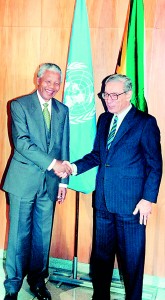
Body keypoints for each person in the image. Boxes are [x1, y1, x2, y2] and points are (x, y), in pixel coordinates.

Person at [64, 74, 162, 300]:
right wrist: (73, 168)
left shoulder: (145, 123)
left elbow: (155, 165)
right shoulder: (104, 120)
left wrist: (148, 199)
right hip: (104, 203)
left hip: (132, 205)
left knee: (132, 261)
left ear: (128, 95)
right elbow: (98, 155)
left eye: (114, 95)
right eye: (105, 94)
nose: (108, 99)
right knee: (101, 258)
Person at [3, 63, 72, 300]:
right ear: (38, 79)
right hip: (22, 182)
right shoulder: (19, 105)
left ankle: (37, 282)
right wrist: (53, 164)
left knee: (42, 237)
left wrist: (63, 182)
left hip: (50, 184)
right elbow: (21, 143)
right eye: (48, 81)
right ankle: (12, 287)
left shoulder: (63, 110)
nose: (52, 87)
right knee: (18, 237)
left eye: (57, 83)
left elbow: (64, 146)